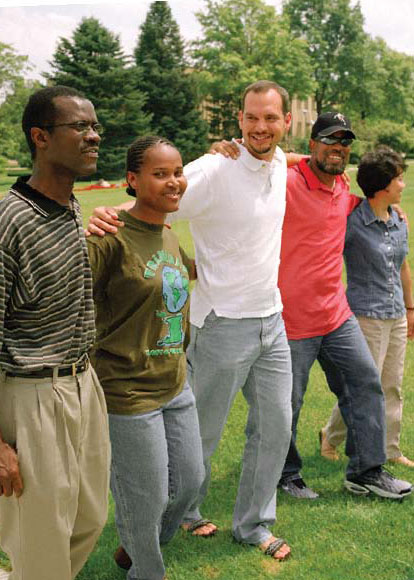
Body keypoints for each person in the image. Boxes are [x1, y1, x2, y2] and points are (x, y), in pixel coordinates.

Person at [87, 80, 294, 561]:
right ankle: (180, 514)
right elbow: (154, 196)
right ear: (239, 121)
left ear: (286, 121)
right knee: (199, 434)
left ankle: (254, 524)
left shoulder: (282, 163)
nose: (260, 127)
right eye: (251, 117)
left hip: (272, 319)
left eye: (270, 118)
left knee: (276, 428)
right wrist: (104, 216)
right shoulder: (215, 168)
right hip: (221, 321)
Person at [205, 111, 413, 501]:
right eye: (330, 141)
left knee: (366, 385)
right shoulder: (283, 181)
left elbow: (370, 212)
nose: (338, 149)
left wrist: (391, 210)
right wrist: (223, 151)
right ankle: (286, 473)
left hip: (336, 316)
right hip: (289, 320)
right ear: (313, 144)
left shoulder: (345, 194)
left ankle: (366, 472)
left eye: (345, 143)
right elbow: (248, 171)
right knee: (285, 404)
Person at [0, 86, 110, 580]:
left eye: (95, 127)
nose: (94, 137)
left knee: (89, 519)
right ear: (40, 137)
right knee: (42, 541)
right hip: (32, 393)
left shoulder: (68, 207)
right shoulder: (9, 222)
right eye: (80, 128)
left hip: (83, 385)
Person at [86, 135, 205, 580]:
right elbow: (72, 297)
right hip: (127, 389)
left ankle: (136, 547)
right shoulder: (109, 236)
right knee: (146, 496)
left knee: (189, 484)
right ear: (132, 180)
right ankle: (146, 570)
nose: (173, 182)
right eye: (160, 174)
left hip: (175, 381)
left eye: (177, 172)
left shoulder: (169, 236)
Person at [320, 147, 414, 468]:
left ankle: (390, 448)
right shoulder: (353, 222)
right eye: (399, 179)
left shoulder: (399, 221)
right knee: (363, 385)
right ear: (383, 185)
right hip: (364, 316)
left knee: (392, 385)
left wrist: (410, 310)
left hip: (397, 316)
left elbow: (403, 267)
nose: (403, 184)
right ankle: (331, 436)